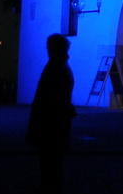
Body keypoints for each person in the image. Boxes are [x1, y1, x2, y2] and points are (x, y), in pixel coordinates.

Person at [27, 34, 76, 192]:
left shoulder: (56, 67)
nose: (47, 50)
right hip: (56, 119)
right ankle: (50, 184)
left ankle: (49, 186)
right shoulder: (61, 66)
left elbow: (49, 95)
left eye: (49, 47)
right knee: (52, 158)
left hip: (51, 121)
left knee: (50, 157)